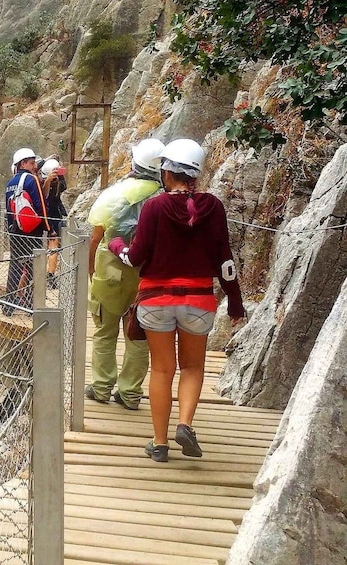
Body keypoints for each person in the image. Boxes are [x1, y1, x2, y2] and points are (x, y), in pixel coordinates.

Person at [108, 138, 245, 463]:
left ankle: (159, 443)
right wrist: (236, 303)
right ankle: (184, 424)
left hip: (156, 300)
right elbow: (224, 261)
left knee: (162, 371)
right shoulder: (213, 207)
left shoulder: (155, 207)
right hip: (198, 301)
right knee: (193, 367)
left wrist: (116, 247)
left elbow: (137, 256)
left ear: (167, 172)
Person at [84, 138, 165, 411]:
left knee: (105, 332)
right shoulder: (164, 199)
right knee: (137, 335)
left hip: (111, 271)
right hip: (147, 276)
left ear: (135, 162)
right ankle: (130, 392)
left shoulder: (115, 194)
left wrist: (92, 269)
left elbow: (97, 236)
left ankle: (102, 387)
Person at [4, 147, 49, 314]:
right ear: (23, 163)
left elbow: (8, 210)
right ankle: (31, 304)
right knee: (33, 266)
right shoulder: (31, 179)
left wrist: (10, 229)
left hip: (15, 231)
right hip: (32, 231)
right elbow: (41, 205)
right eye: (31, 163)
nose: (34, 166)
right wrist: (48, 227)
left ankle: (8, 304)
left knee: (15, 265)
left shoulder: (10, 183)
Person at [39, 157, 69, 289]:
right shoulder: (48, 183)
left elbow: (59, 193)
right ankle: (49, 274)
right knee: (52, 246)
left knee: (53, 246)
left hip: (53, 216)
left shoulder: (59, 183)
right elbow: (44, 197)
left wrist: (52, 180)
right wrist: (48, 181)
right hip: (50, 217)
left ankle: (49, 273)